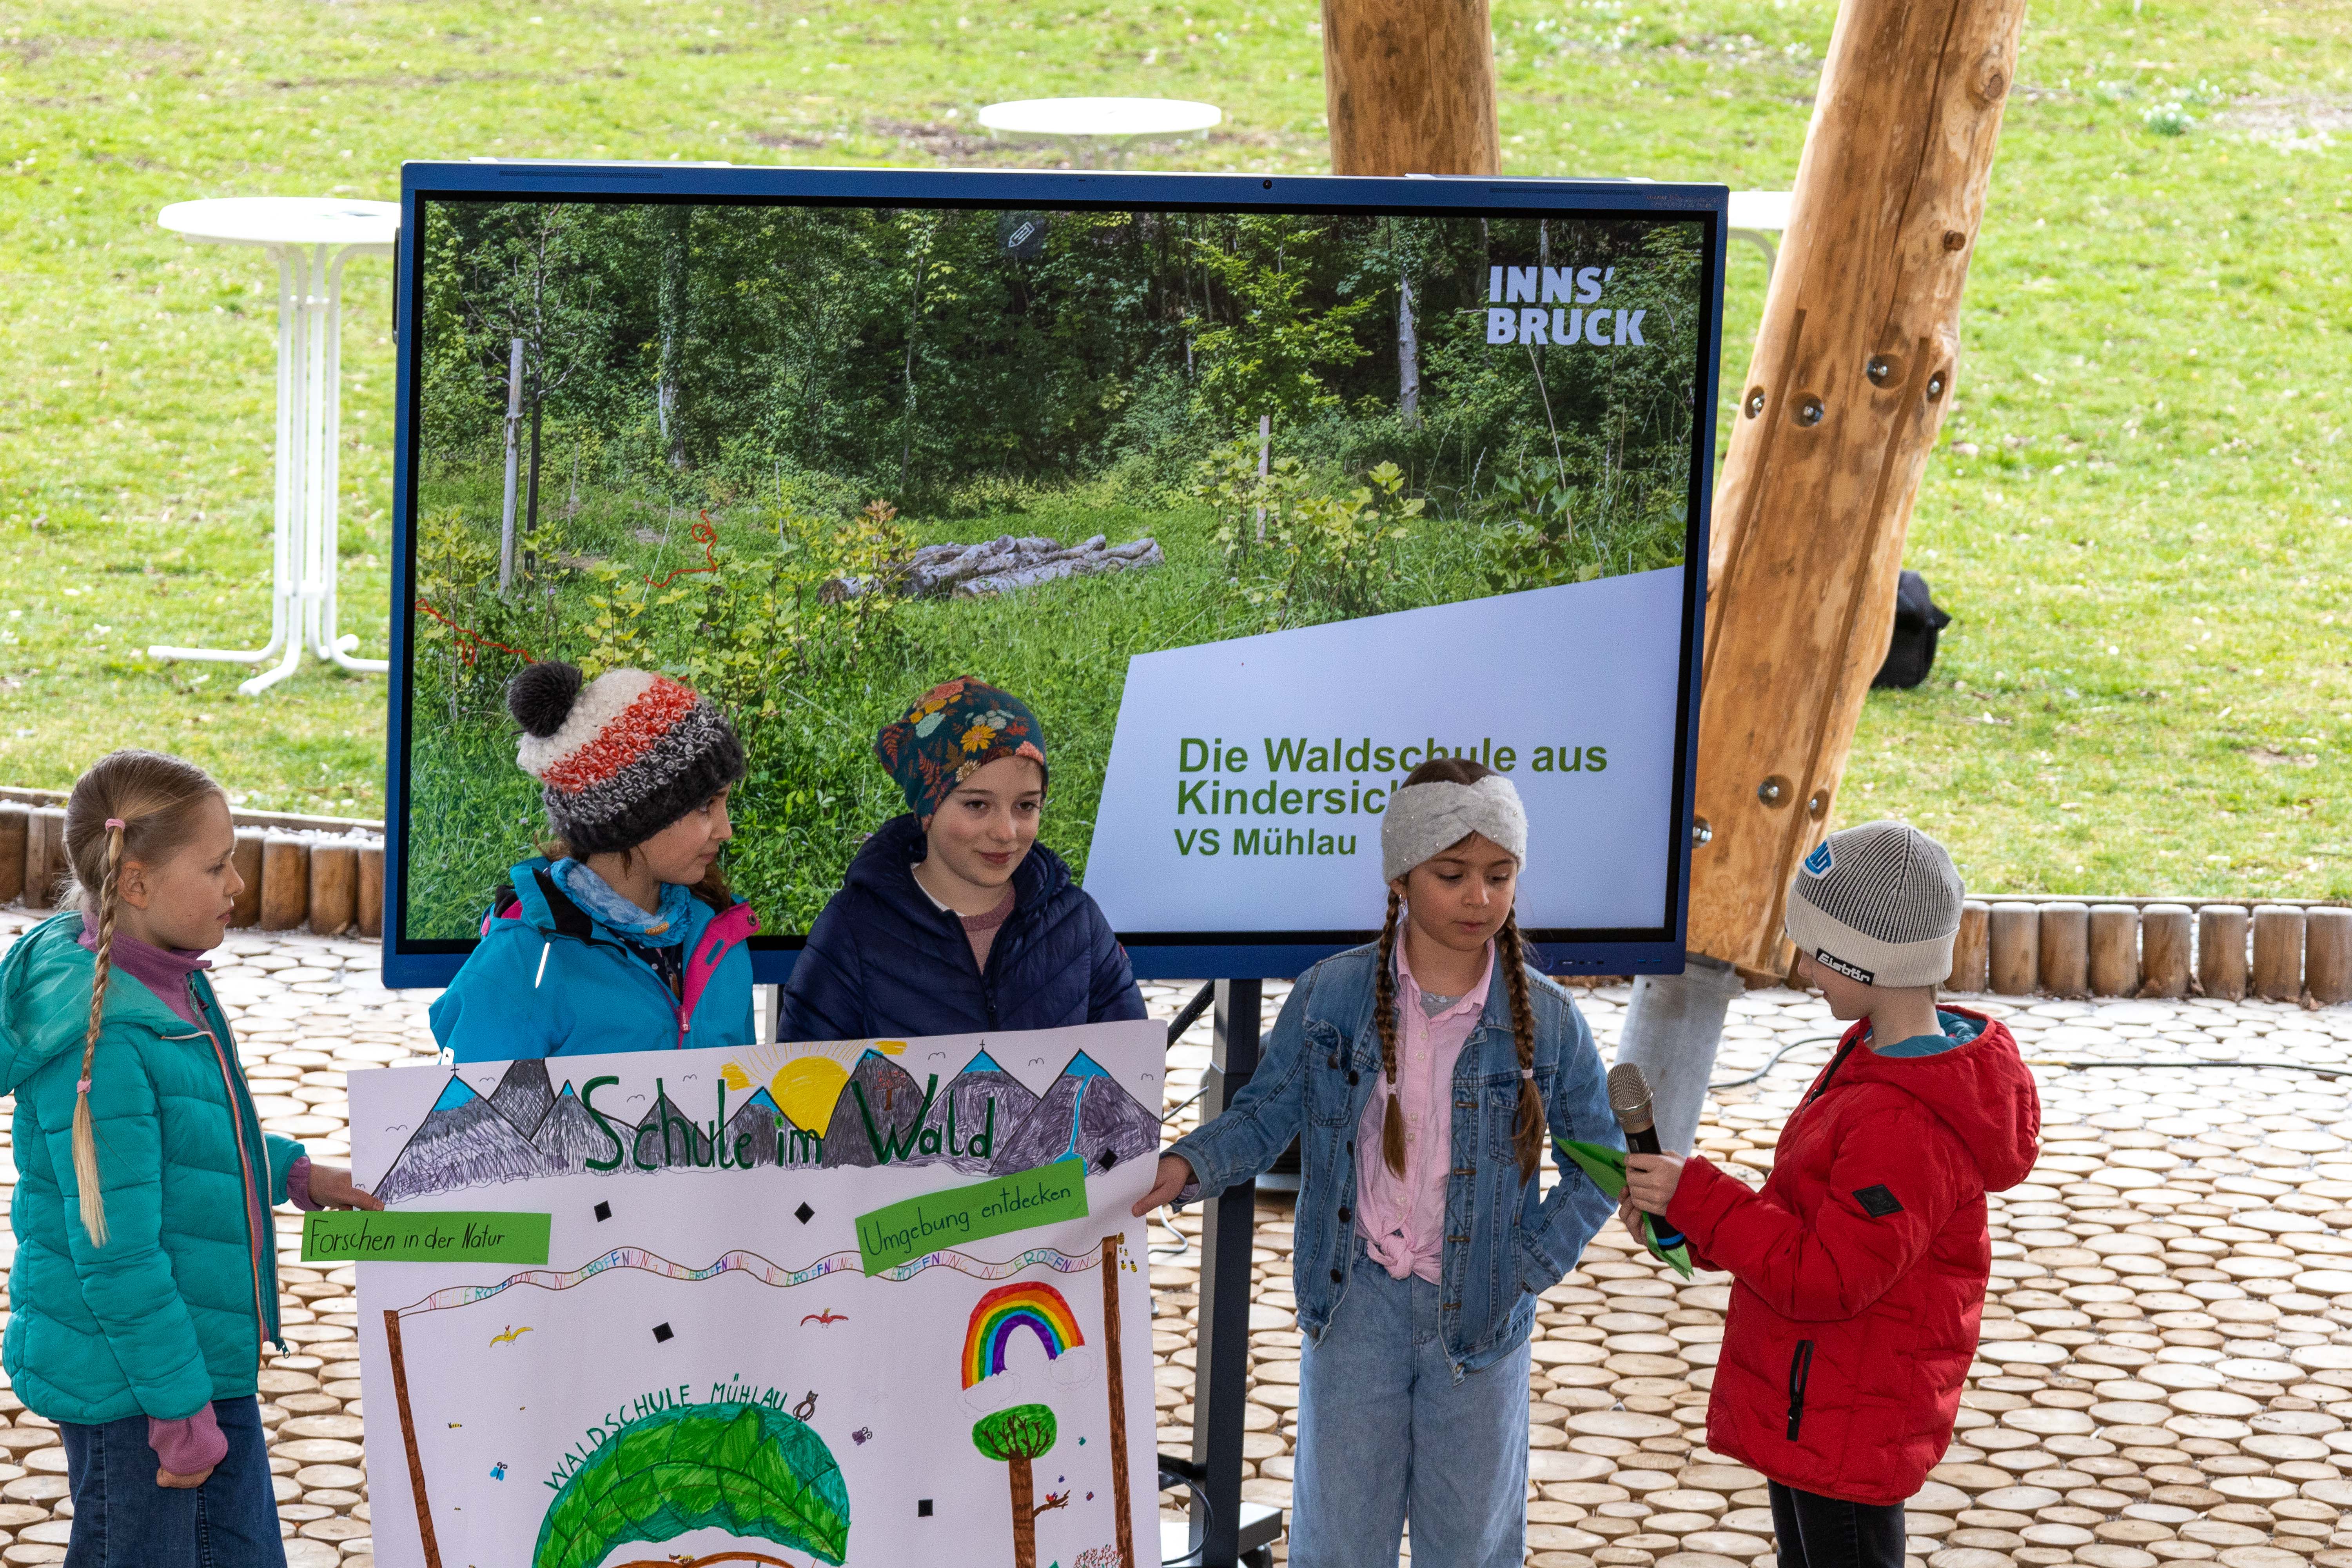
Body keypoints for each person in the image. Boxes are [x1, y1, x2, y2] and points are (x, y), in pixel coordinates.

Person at [1132, 757, 1619, 1568]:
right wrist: (1186, 1166)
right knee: (1339, 1539)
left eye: (1500, 875)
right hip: (1354, 1306)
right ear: (1400, 874)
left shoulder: (1551, 1018)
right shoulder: (1333, 993)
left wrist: (1521, 1266)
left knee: (1469, 1542)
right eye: (1453, 873)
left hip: (1481, 1323)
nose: (1480, 897)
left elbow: (1598, 1163)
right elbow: (1265, 1112)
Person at [1621, 820, 2040, 1568]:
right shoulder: (1876, 1059)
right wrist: (1690, 1218)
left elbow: (1827, 1277)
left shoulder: (1905, 1119)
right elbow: (1804, 1220)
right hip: (1817, 1399)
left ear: (1867, 960)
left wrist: (1703, 1199)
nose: (1806, 967)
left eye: (1818, 949)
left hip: (1849, 1415)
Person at [0, 749, 382, 1568]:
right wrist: (179, 1416)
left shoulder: (167, 980)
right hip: (140, 1395)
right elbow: (118, 1257)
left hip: (195, 1369)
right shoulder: (101, 1041)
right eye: (216, 865)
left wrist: (294, 1172)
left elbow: (190, 1139)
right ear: (135, 883)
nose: (238, 883)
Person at [777, 675, 1144, 1041]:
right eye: (977, 805)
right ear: (928, 810)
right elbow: (804, 1083)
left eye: (1026, 806)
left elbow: (1132, 1066)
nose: (1006, 832)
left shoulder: (1078, 924)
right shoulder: (852, 929)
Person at [430, 661, 759, 1062]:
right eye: (707, 806)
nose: (725, 829)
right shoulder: (523, 968)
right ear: (635, 815)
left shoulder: (720, 940)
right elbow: (470, 1119)